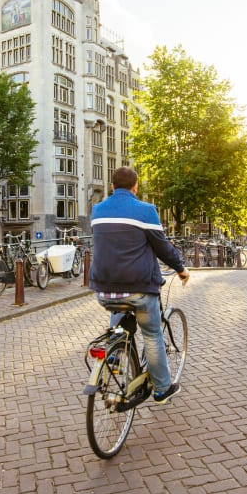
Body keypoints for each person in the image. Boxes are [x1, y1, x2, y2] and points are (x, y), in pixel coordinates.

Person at [89, 167, 190, 405]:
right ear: (135, 187)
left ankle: (114, 356)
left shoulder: (97, 210)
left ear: (112, 187)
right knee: (152, 334)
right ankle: (162, 389)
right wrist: (181, 269)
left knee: (119, 314)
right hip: (139, 288)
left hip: (103, 290)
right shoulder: (145, 211)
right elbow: (162, 247)